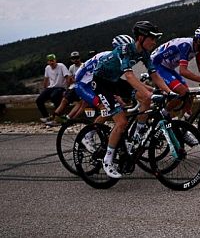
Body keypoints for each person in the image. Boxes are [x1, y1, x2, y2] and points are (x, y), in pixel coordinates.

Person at [73, 22, 170, 178]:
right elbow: (130, 76)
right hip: (101, 83)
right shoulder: (125, 50)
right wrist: (150, 93)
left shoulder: (144, 53)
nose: (154, 42)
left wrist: (169, 92)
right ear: (141, 37)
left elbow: (154, 75)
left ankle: (137, 135)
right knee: (122, 121)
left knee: (144, 100)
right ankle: (108, 159)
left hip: (115, 82)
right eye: (152, 38)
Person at [38, 54, 69, 126]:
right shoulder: (47, 68)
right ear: (48, 62)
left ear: (55, 60)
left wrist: (67, 89)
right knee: (39, 100)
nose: (51, 62)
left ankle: (58, 117)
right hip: (51, 87)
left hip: (60, 87)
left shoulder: (61, 66)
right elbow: (46, 79)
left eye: (52, 60)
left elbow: (67, 77)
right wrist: (44, 90)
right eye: (50, 61)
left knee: (54, 96)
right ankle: (46, 116)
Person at [52, 51, 83, 120]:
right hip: (74, 87)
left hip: (80, 87)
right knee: (64, 100)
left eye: (77, 58)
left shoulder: (83, 66)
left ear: (80, 58)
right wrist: (67, 88)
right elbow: (70, 80)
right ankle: (56, 115)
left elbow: (73, 79)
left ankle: (64, 117)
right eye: (74, 58)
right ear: (71, 59)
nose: (75, 60)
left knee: (76, 102)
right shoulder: (71, 67)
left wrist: (73, 80)